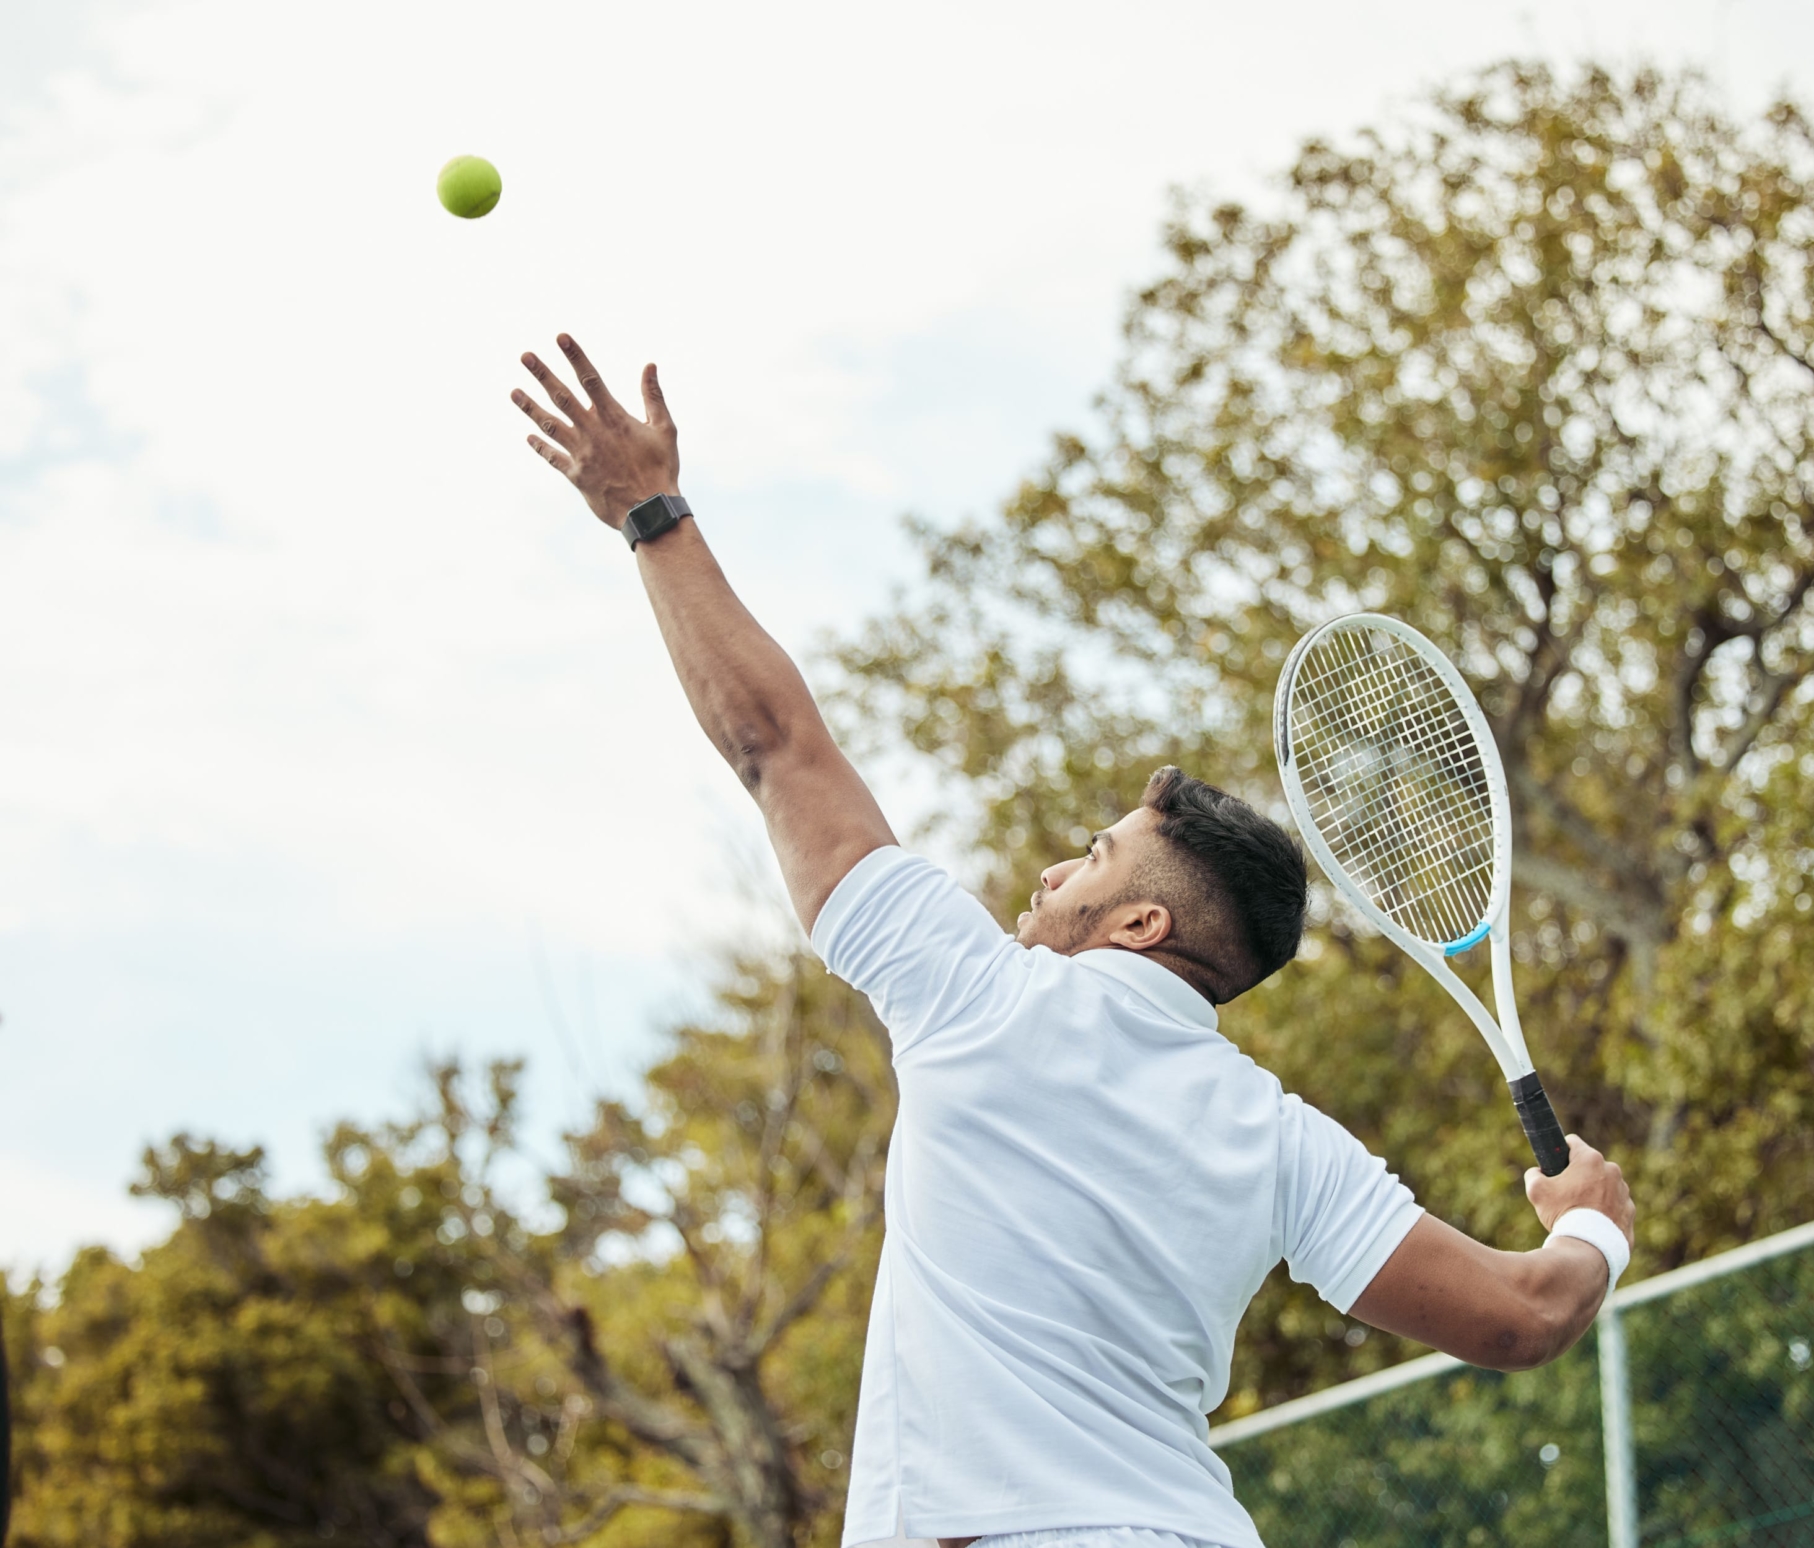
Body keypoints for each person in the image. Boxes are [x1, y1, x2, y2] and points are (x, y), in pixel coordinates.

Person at [510, 338, 1637, 1548]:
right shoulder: (1282, 1144)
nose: (1053, 871)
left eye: (1093, 856)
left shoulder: (977, 995)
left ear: (1142, 925)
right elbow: (1526, 1316)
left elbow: (776, 748)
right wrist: (1593, 1224)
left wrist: (651, 514)